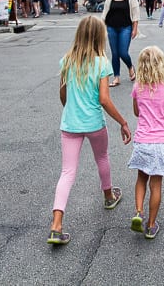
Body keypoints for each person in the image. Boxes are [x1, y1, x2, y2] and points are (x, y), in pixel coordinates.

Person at [47, 16, 132, 246]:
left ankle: (56, 225)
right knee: (102, 157)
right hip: (94, 122)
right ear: (98, 36)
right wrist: (123, 122)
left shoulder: (66, 60)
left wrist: (72, 109)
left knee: (67, 172)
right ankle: (108, 196)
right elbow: (104, 99)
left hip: (70, 123)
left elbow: (63, 95)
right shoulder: (102, 62)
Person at [127, 46, 164, 240]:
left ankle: (138, 212)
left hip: (142, 141)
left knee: (141, 179)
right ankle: (151, 225)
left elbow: (137, 112)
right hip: (160, 142)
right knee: (156, 185)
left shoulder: (138, 87)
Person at [101, 0, 139, 87]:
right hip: (111, 27)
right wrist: (102, 26)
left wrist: (135, 28)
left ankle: (130, 66)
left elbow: (135, 14)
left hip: (125, 27)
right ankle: (116, 77)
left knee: (123, 52)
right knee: (115, 53)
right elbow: (105, 12)